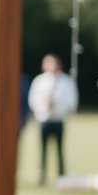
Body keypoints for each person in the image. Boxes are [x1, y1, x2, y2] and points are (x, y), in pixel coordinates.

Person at [28, 54, 78, 184]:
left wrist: (56, 105)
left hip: (58, 119)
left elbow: (72, 101)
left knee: (60, 149)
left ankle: (62, 176)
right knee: (42, 148)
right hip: (43, 119)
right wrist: (45, 105)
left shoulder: (66, 81)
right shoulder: (39, 81)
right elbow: (32, 100)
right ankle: (42, 174)